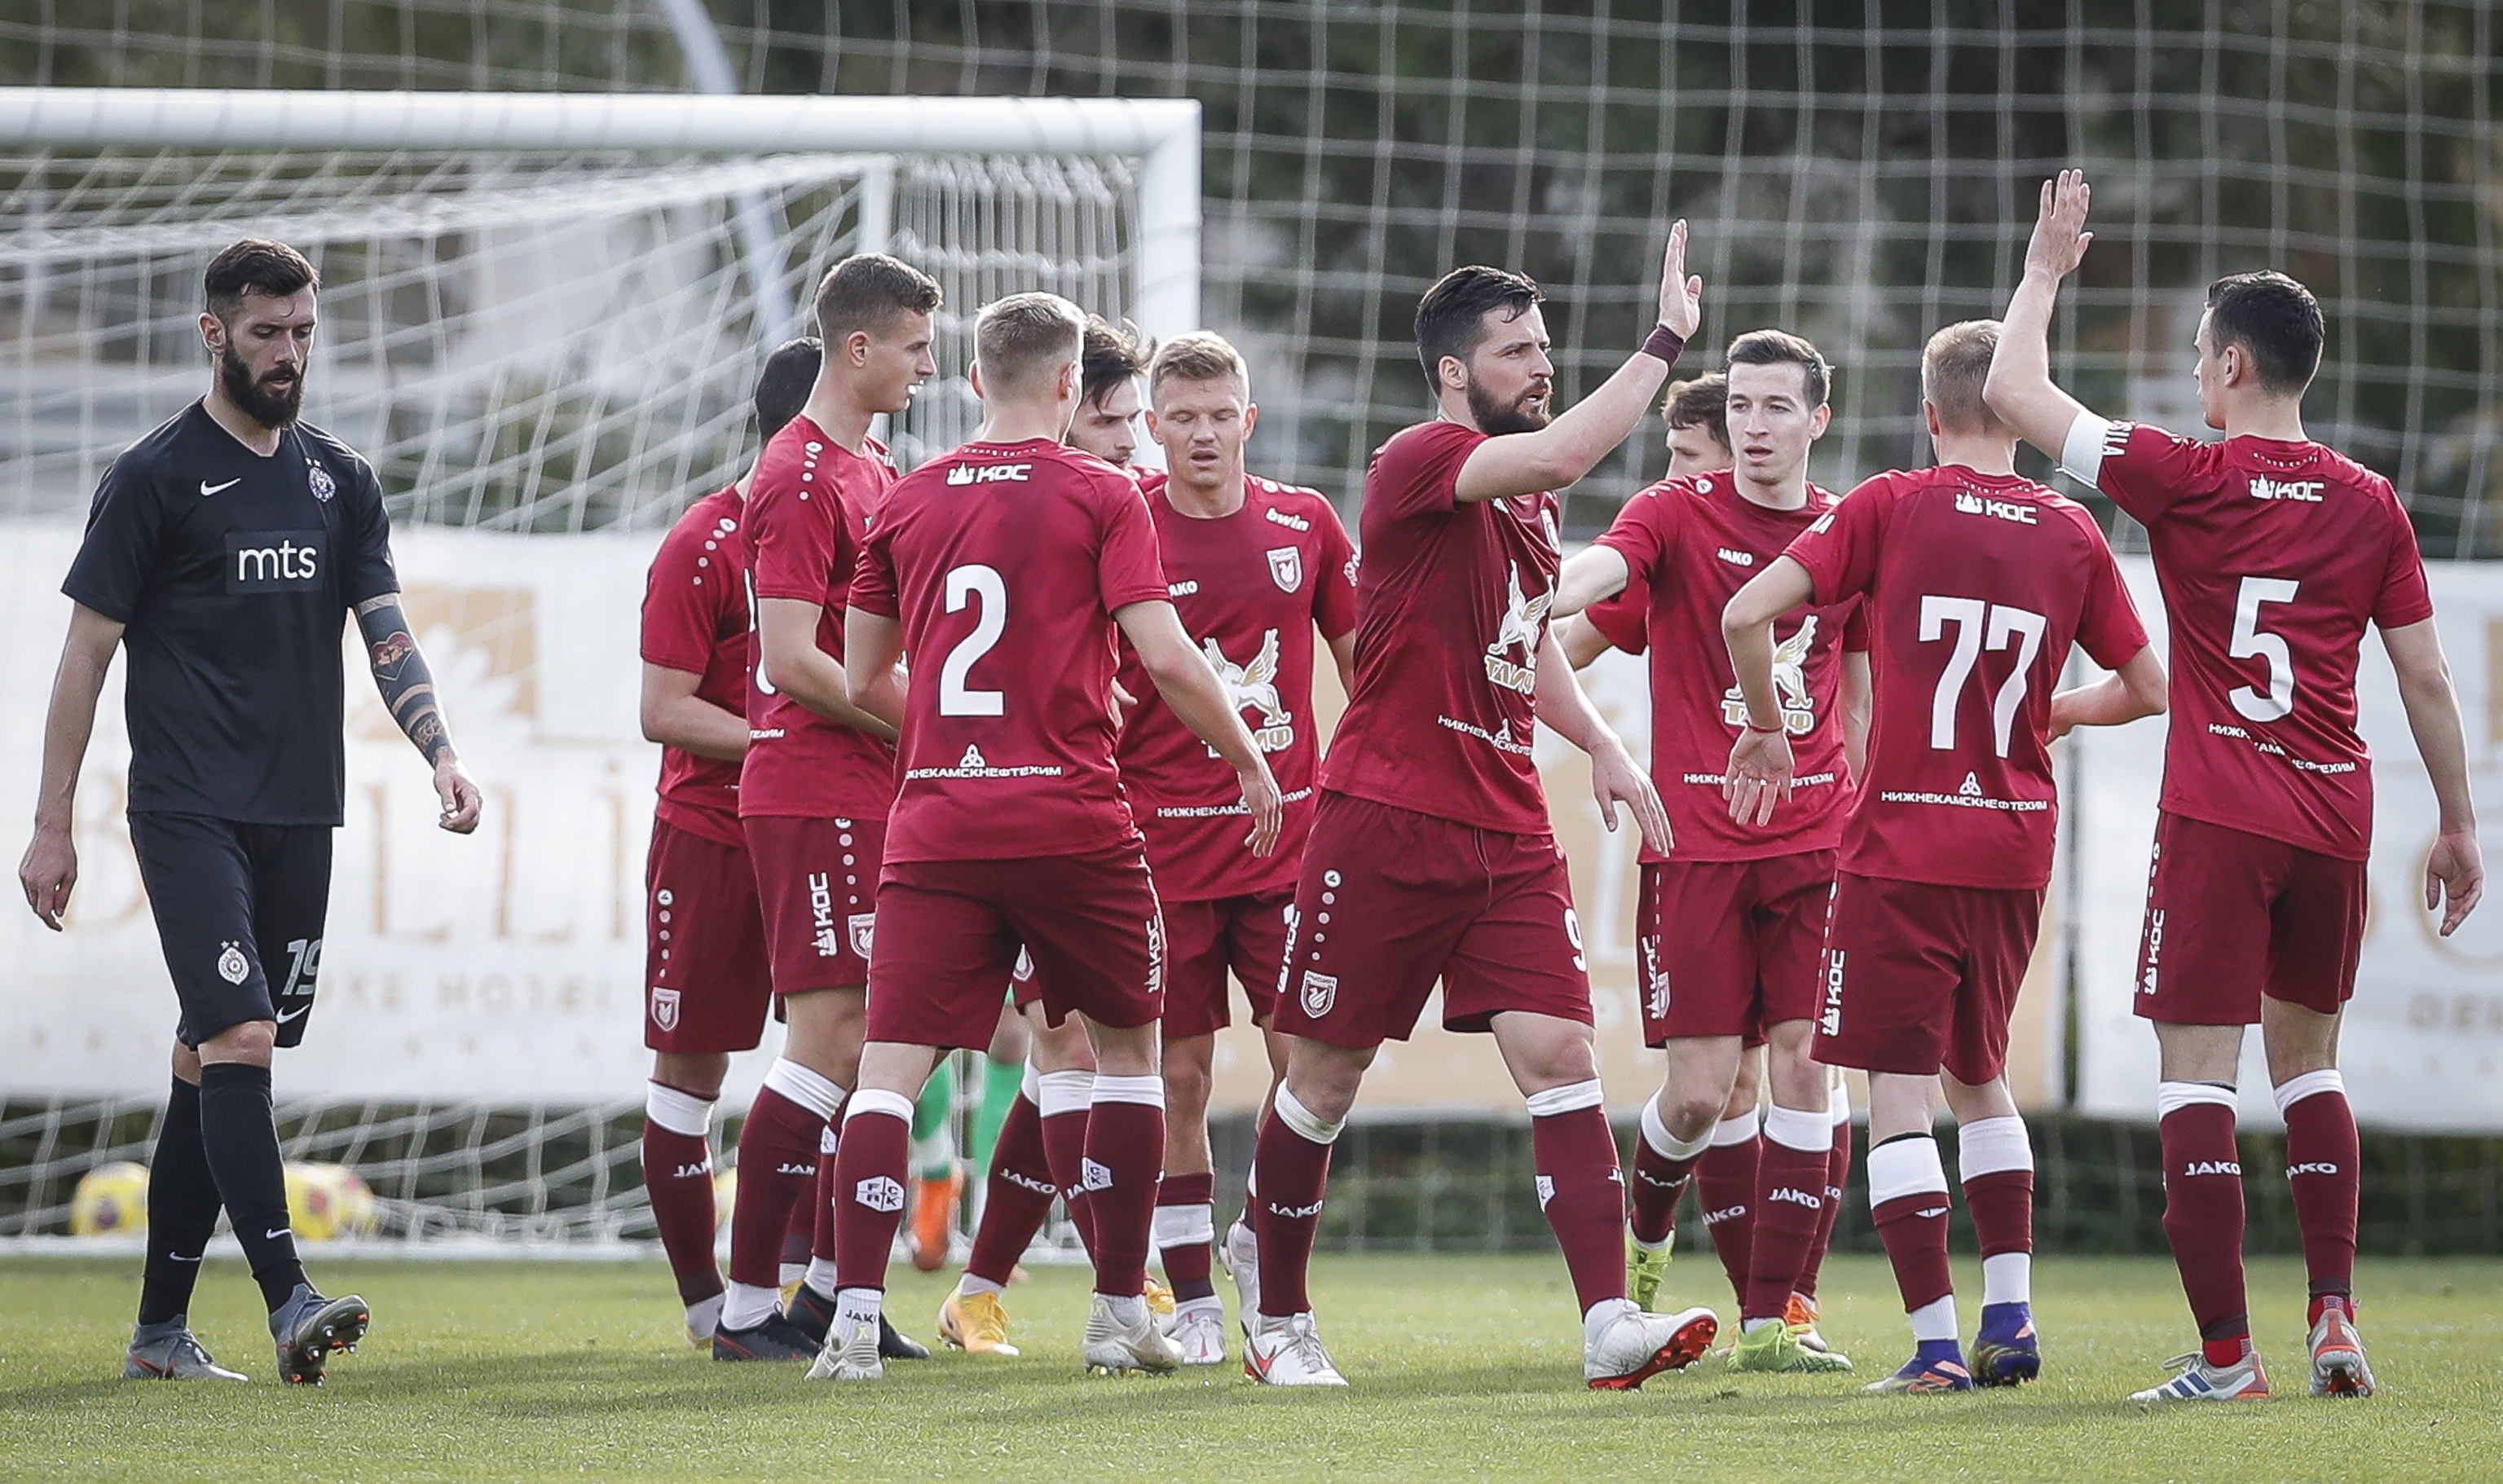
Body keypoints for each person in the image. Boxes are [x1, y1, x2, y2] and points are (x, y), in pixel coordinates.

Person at [1983, 170, 2485, 1404]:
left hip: (2218, 817)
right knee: (2308, 1067)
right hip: (2334, 814)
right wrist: (2460, 822)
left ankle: (2224, 1359)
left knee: (2195, 1076)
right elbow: (2421, 676)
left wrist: (2045, 268)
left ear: (2227, 370)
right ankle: (2332, 1318)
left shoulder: (2181, 477)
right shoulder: (2370, 504)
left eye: (2200, 360)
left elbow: (2007, 391)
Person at [1244, 227, 1716, 1391]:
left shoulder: (1522, 511)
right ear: (1454, 371)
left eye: (1542, 346)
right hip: (1385, 814)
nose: (1537, 366)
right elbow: (1559, 456)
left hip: (1504, 826)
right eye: (1513, 351)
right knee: (1323, 1077)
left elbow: (1524, 641)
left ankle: (1608, 1320)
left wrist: (1604, 743)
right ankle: (1277, 1318)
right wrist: (1663, 342)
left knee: (1560, 1054)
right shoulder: (1420, 456)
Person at [18, 238, 484, 1385]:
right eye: (267, 333)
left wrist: (439, 750)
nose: (290, 354)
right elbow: (84, 657)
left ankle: (159, 1335)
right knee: (241, 1035)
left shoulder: (342, 480)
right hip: (185, 810)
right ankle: (290, 1300)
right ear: (213, 333)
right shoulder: (154, 477)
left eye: (304, 332)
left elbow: (385, 629)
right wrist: (50, 821)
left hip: (298, 815)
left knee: (204, 1058)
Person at [816, 291, 1282, 1381]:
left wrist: (950, 744)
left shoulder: (908, 497)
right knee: (1129, 1055)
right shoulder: (1107, 493)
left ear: (975, 380)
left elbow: (857, 674)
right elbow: (1168, 660)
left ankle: (846, 1324)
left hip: (934, 820)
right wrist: (1250, 760)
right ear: (1073, 386)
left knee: (885, 1075)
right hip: (1072, 818)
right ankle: (1120, 1313)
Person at [1721, 317, 2167, 1394]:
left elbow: (1745, 612)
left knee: (1897, 1091)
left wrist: (1766, 726)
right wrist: (2046, 715)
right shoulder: (2070, 531)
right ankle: (2008, 1320)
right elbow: (2152, 689)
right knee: (1981, 1076)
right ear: (2015, 411)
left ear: (1926, 414)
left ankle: (1931, 1348)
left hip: (1902, 838)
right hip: (2012, 839)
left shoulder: (1887, 502)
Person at [1549, 331, 1868, 1373]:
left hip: (1814, 845)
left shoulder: (1845, 531)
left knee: (1800, 1068)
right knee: (1695, 1094)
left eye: (1776, 407)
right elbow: (1601, 576)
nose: (1754, 426)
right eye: (1740, 406)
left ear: (1816, 420)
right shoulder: (1674, 514)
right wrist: (1537, 587)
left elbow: (1855, 693)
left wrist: (1863, 814)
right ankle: (1647, 1233)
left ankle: (1781, 1317)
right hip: (1691, 847)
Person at [1114, 331, 1360, 1365]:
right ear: (1154, 427)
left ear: (1248, 420)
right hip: (1161, 853)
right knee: (1179, 1080)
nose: (1203, 434)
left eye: (1221, 415)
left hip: (1283, 851)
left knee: (1307, 1073)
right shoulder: (1121, 524)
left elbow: (1364, 669)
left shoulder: (1303, 522)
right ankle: (1194, 1303)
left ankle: (1259, 1238)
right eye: (1182, 417)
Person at [715, 253, 941, 1363]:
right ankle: (747, 1308)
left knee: (866, 1049)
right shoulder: (800, 474)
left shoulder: (870, 462)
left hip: (864, 790)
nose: (926, 364)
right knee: (825, 1042)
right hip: (812, 791)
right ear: (858, 348)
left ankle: (818, 1292)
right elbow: (792, 660)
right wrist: (921, 726)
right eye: (912, 345)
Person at [937, 313, 1169, 1357]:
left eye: (1136, 420)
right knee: (1067, 1041)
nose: (1134, 439)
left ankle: (981, 1284)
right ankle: (1127, 1277)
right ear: (1064, 405)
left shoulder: (1127, 506)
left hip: (1122, 809)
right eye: (1114, 418)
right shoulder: (1015, 511)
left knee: (1057, 1058)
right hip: (1048, 814)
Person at [634, 335, 823, 1349]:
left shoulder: (848, 526)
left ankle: (804, 1297)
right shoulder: (704, 542)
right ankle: (713, 1312)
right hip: (711, 838)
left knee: (837, 1054)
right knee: (691, 1075)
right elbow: (662, 709)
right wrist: (782, 740)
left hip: (815, 832)